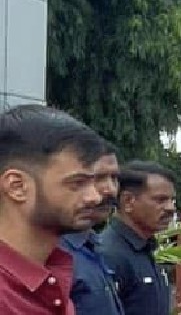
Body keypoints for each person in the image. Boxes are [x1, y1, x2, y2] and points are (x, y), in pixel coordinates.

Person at [0, 104, 104, 314]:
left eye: (93, 182)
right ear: (16, 186)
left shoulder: (54, 273)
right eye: (77, 183)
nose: (96, 197)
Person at [99, 161, 176, 315]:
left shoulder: (147, 249)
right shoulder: (109, 254)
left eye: (172, 200)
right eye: (160, 200)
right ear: (128, 201)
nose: (170, 208)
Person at [61, 141, 124, 315]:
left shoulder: (93, 245)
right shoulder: (52, 253)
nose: (110, 190)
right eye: (98, 177)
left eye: (114, 178)